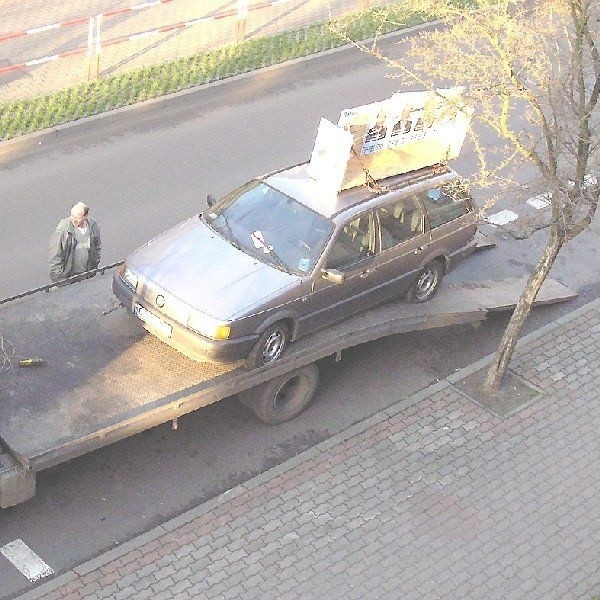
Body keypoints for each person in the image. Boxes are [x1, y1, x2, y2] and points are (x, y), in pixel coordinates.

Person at [49, 202, 101, 283]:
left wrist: (93, 267)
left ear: (85, 216)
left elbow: (97, 247)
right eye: (72, 216)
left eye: (77, 217)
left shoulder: (93, 226)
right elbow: (56, 257)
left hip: (86, 276)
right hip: (68, 279)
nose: (74, 220)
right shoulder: (63, 230)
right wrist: (60, 281)